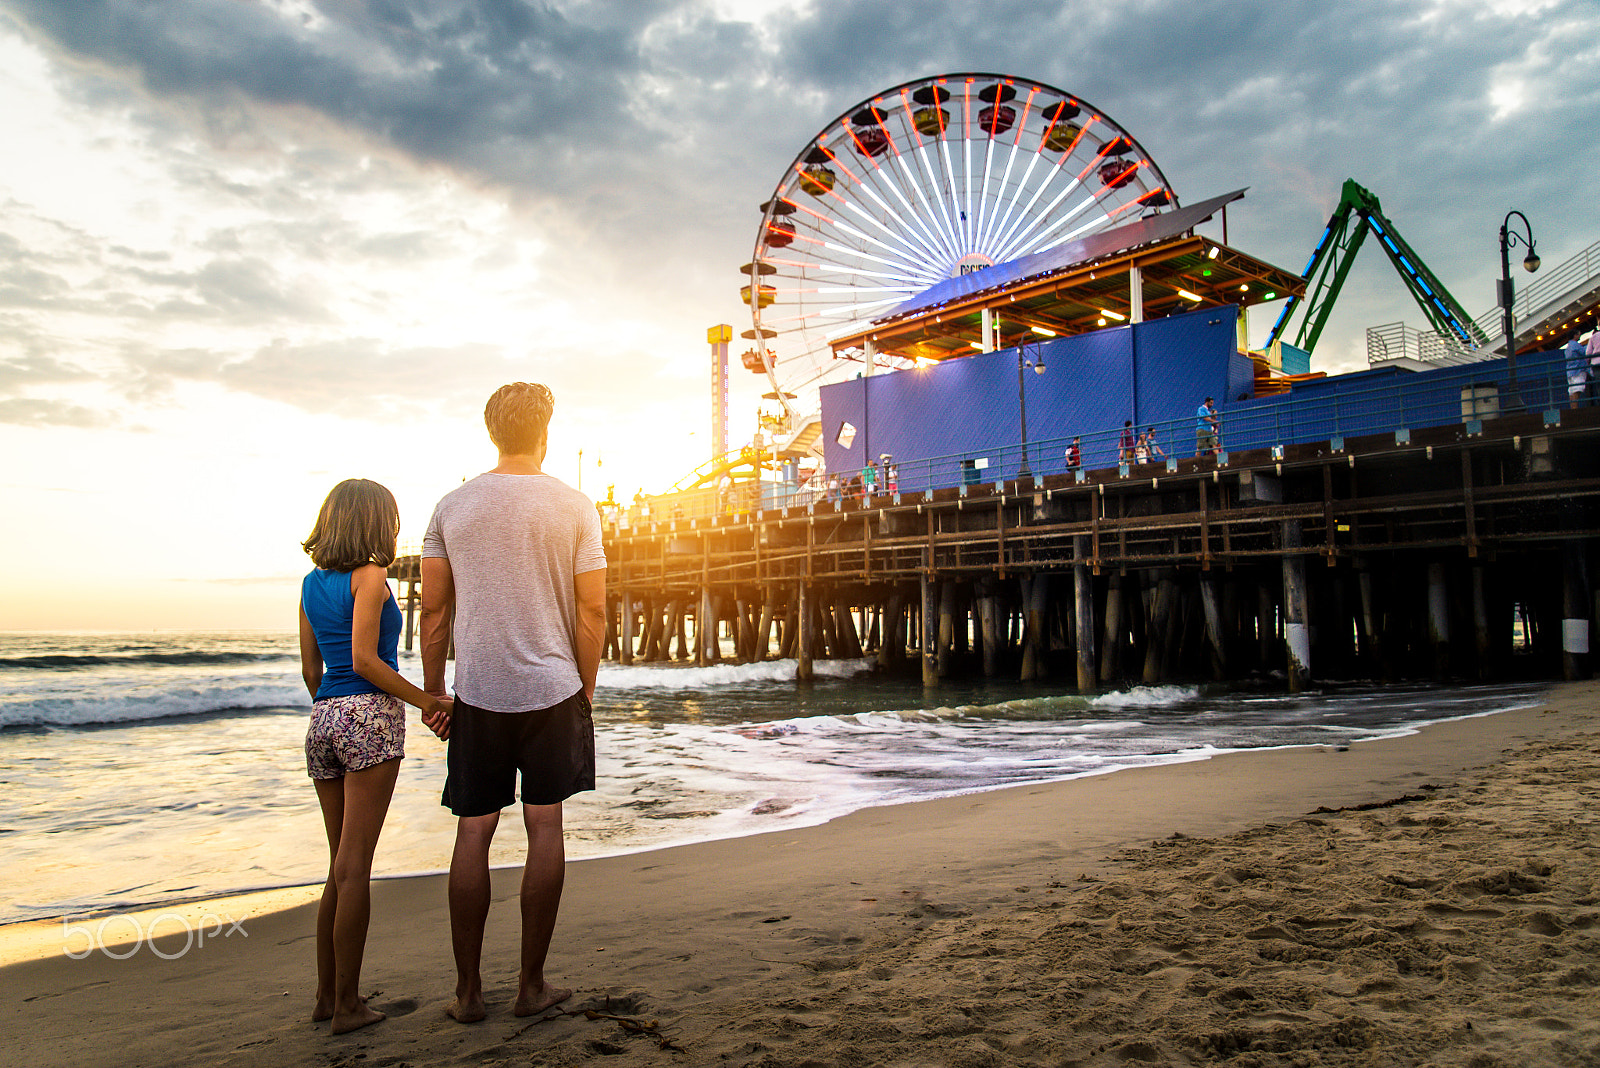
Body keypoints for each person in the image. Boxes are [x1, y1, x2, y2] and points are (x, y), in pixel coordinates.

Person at [420, 383, 607, 1024]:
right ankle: (531, 986)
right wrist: (584, 687)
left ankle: (468, 995)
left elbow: (435, 611)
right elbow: (593, 609)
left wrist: (435, 691)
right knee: (545, 824)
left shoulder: (451, 507)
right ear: (545, 433)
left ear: (492, 433)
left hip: (478, 692)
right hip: (554, 688)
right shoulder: (575, 506)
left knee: (474, 830)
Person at [298, 479, 452, 1035]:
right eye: (391, 517)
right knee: (356, 864)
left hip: (323, 719)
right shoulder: (371, 577)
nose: (395, 527)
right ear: (372, 522)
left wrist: (333, 706)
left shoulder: (311, 584)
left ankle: (323, 997)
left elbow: (313, 671)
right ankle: (347, 1006)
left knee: (339, 865)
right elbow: (366, 659)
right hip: (368, 717)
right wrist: (429, 702)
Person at [1566, 336, 1589, 409]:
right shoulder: (1575, 345)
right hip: (1578, 370)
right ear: (1575, 335)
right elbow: (1585, 352)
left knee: (1572, 391)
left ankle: (1573, 408)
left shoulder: (1568, 347)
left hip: (1570, 371)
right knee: (1577, 389)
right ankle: (1575, 408)